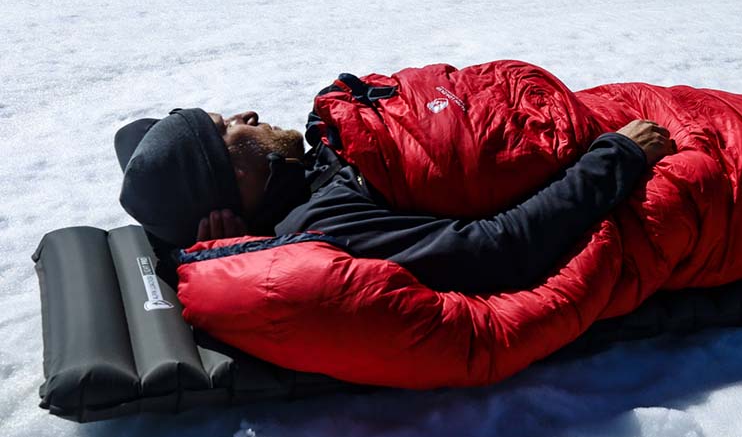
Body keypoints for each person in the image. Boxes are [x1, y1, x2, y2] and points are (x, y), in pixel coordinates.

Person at [116, 104, 675, 295]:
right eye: (228, 128)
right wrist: (617, 158)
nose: (249, 116)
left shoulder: (303, 170)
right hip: (628, 158)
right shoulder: (324, 224)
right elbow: (500, 249)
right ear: (232, 180)